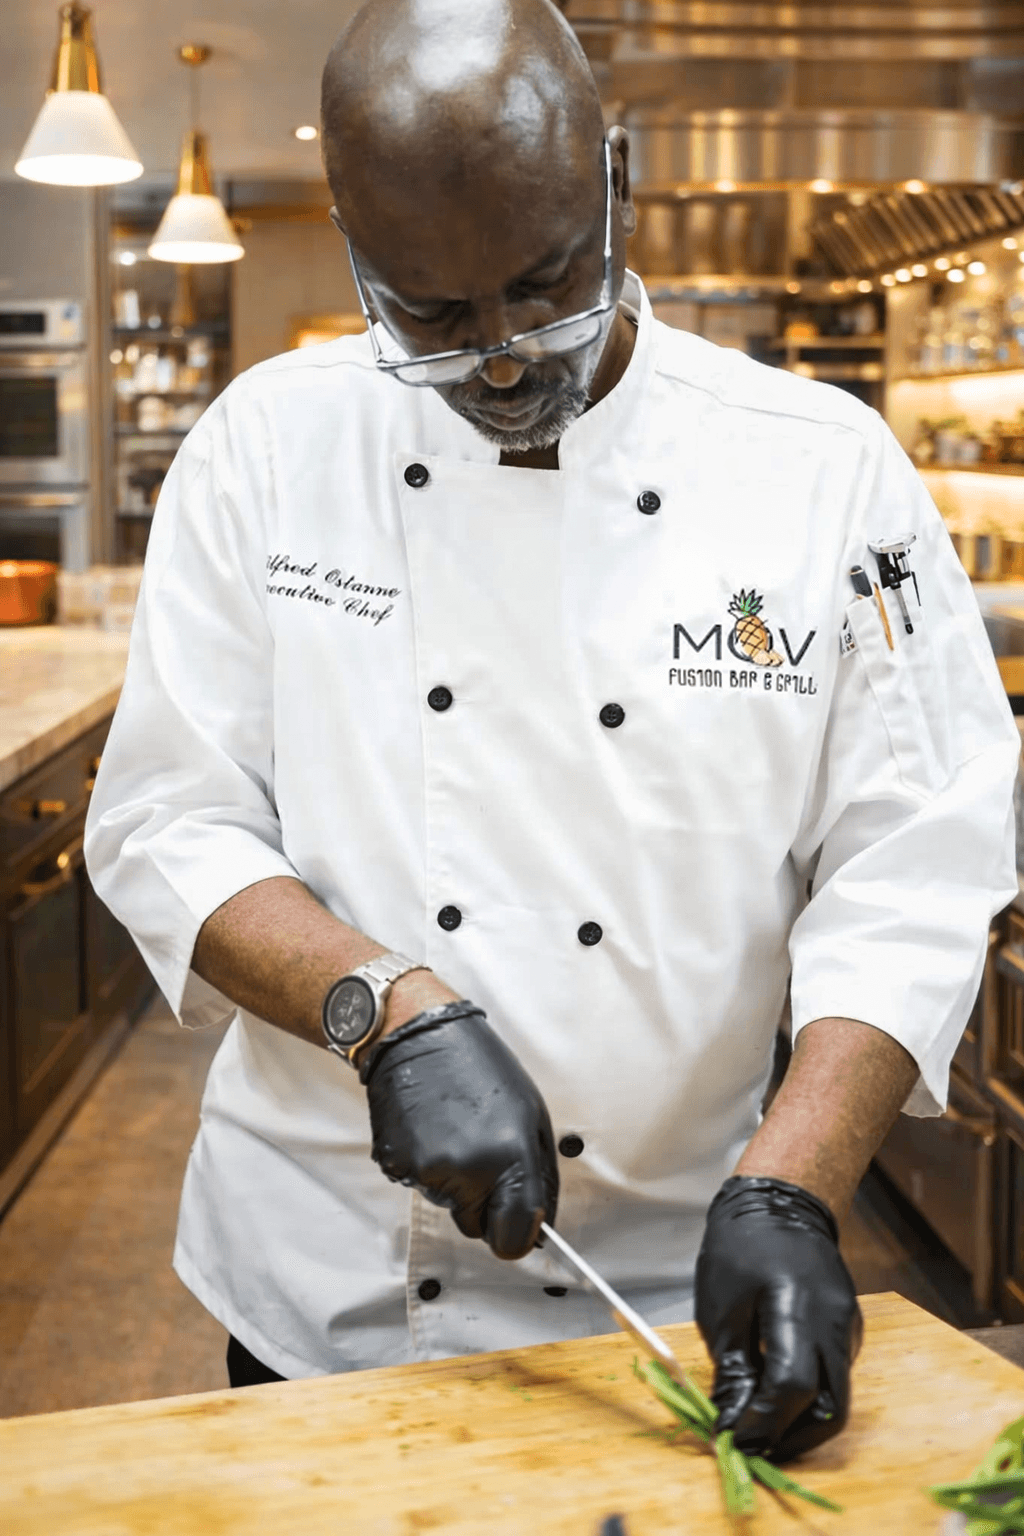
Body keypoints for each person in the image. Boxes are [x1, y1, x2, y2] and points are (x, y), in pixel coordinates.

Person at [84, 0, 1019, 1464]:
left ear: (615, 184)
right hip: (330, 1282)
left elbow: (915, 865)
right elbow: (167, 821)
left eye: (546, 285)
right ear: (352, 245)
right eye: (432, 316)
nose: (506, 359)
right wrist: (382, 1008)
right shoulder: (263, 451)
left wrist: (794, 1189)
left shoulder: (823, 471)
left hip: (683, 1273)